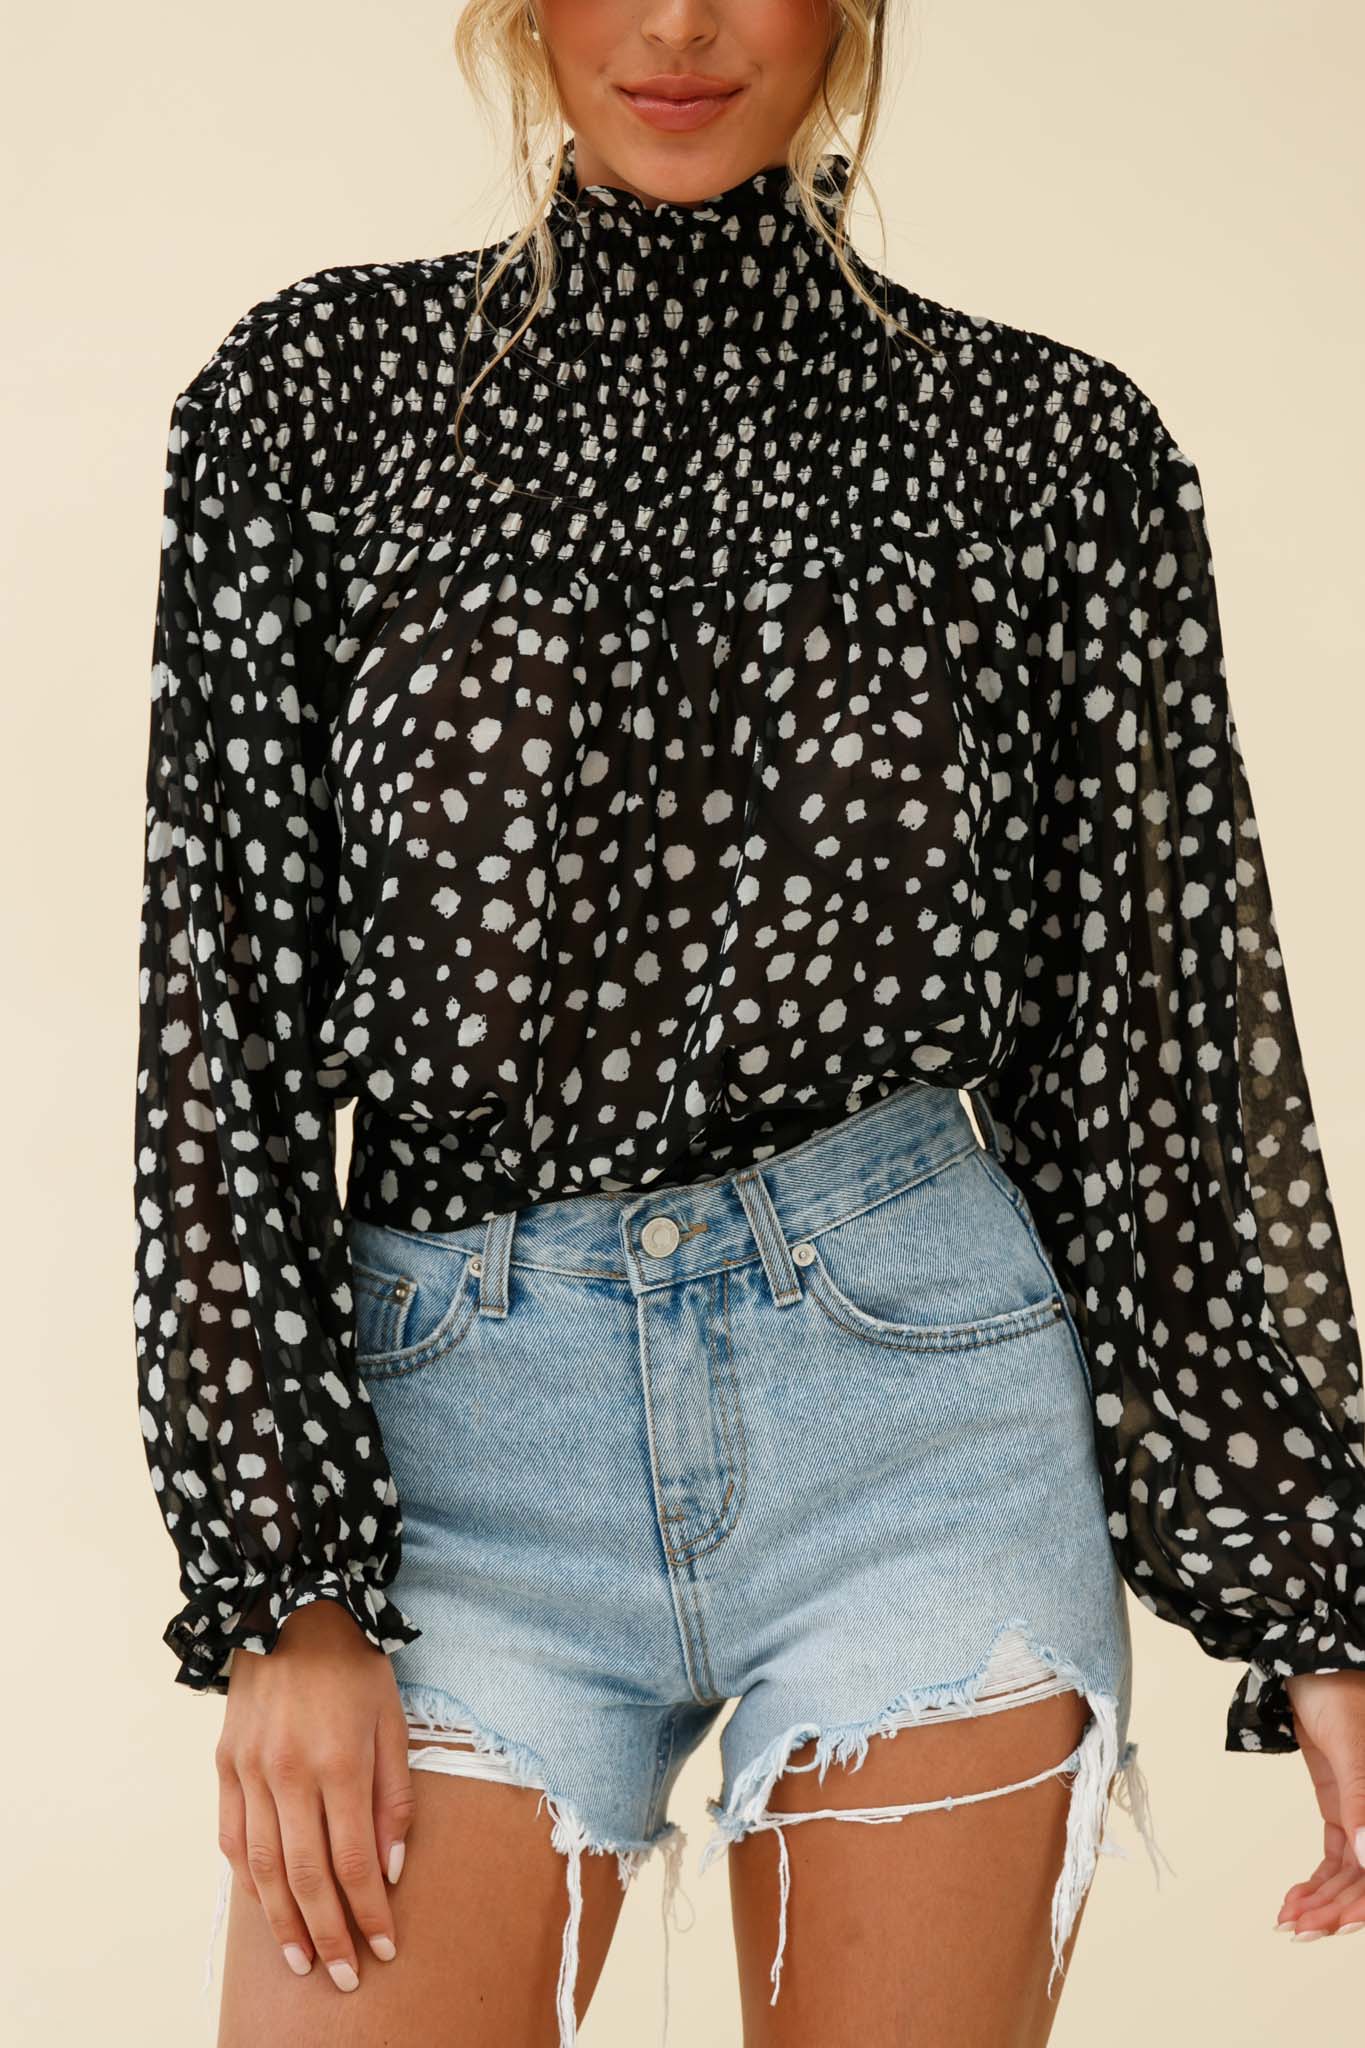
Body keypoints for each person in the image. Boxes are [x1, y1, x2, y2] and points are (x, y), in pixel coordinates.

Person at [132, 2, 1365, 2042]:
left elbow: (1150, 1047)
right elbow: (220, 1016)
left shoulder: (1042, 445)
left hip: (911, 1417)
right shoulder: (318, 398)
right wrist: (288, 1589)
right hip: (449, 1450)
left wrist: (1313, 1595)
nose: (681, 23)